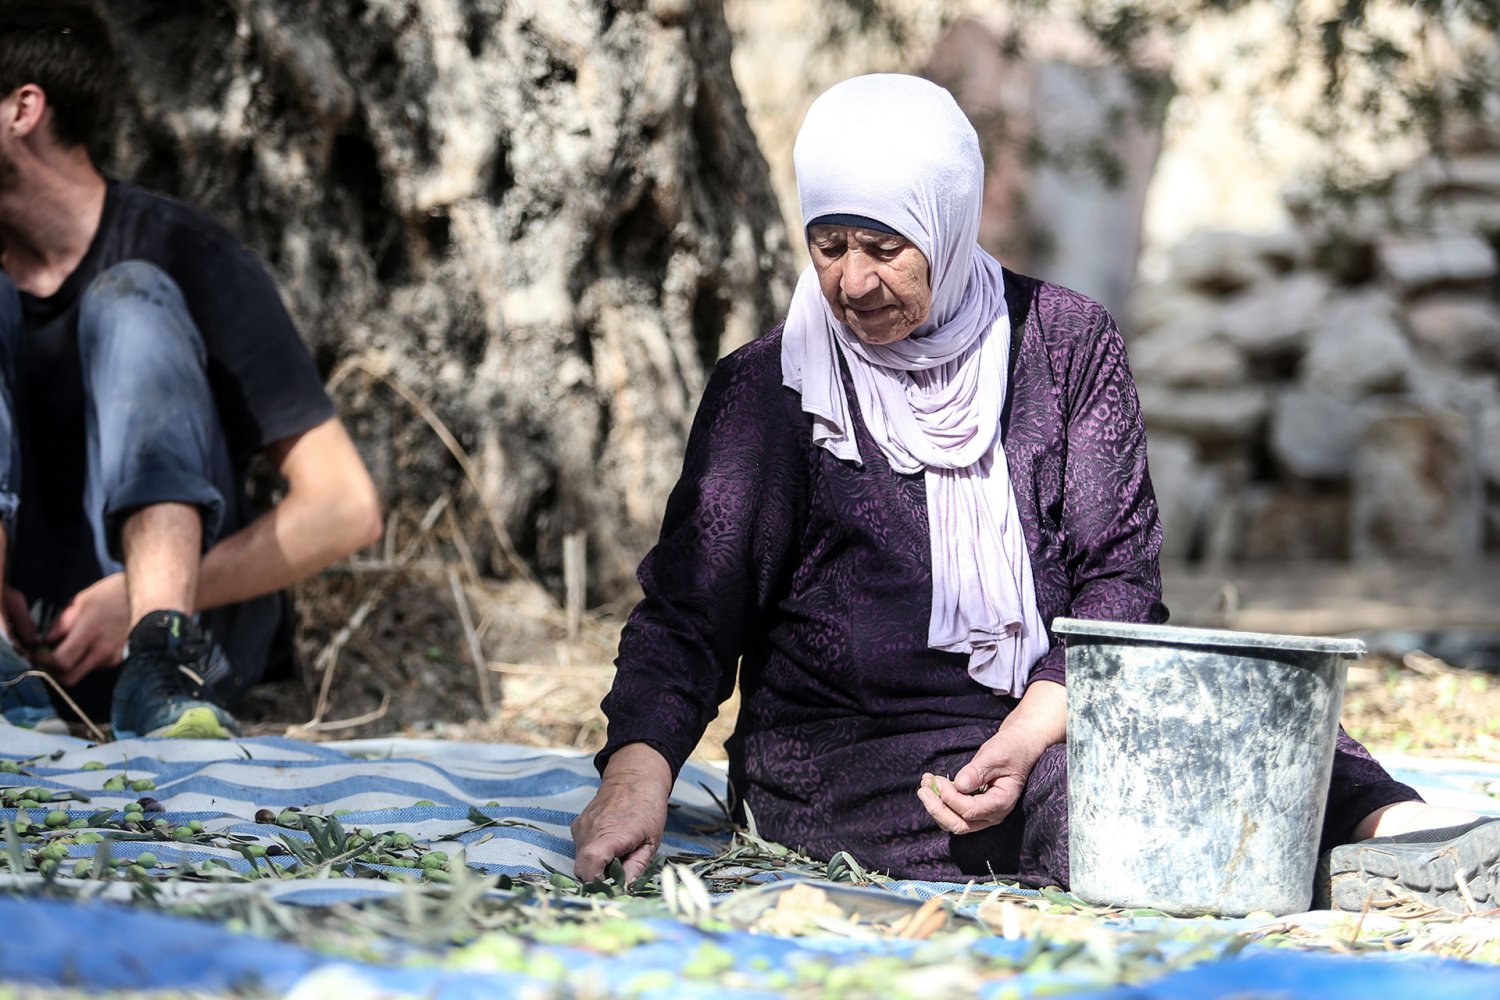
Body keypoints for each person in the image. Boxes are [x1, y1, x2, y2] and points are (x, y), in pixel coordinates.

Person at [572, 73, 1499, 913]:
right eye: (829, 245)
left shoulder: (1065, 344)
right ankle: (1312, 869)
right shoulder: (773, 388)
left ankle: (1408, 846)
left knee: (1255, 726)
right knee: (1113, 795)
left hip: (1058, 710)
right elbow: (688, 616)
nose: (853, 282)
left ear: (946, 218)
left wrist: (1025, 734)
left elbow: (1120, 587)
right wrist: (634, 780)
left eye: (885, 247)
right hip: (858, 758)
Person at [0, 2, 381, 739]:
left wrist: (132, 599)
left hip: (187, 649)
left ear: (23, 110)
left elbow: (344, 506)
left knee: (131, 301)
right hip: (27, 661)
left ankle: (160, 657)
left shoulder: (193, 256)